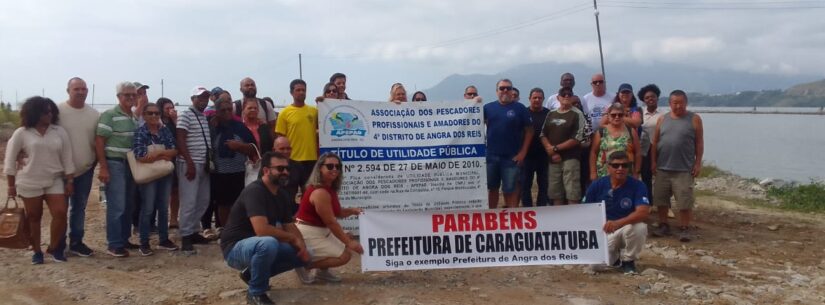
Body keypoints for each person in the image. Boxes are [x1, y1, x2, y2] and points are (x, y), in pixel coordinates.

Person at [220, 152, 310, 305]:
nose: (286, 172)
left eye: (287, 169)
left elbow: (289, 225)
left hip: (256, 245)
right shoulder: (255, 191)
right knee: (268, 243)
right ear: (266, 170)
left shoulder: (281, 194)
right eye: (280, 169)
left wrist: (301, 244)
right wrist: (292, 239)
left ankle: (251, 275)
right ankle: (256, 293)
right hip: (235, 248)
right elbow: (262, 230)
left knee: (305, 253)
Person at [5, 96, 75, 264]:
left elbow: (67, 157)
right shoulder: (21, 133)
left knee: (60, 213)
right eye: (45, 112)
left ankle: (53, 247)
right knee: (34, 217)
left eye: (51, 111)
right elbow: (10, 158)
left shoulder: (59, 131)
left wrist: (70, 181)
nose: (49, 114)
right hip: (29, 181)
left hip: (55, 179)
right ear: (35, 113)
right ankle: (36, 251)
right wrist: (10, 185)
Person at [294, 153, 364, 283]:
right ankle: (305, 265)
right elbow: (331, 222)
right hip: (308, 231)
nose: (334, 169)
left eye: (338, 167)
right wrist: (349, 243)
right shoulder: (320, 192)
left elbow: (337, 213)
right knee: (345, 256)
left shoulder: (328, 187)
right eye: (330, 166)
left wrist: (353, 211)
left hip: (320, 230)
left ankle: (322, 272)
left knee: (345, 240)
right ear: (320, 168)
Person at [583, 151, 650, 274]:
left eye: (624, 165)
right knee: (595, 266)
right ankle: (615, 258)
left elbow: (643, 212)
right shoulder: (597, 185)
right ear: (608, 167)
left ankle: (629, 260)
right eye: (616, 165)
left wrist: (619, 223)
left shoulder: (638, 185)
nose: (620, 169)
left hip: (625, 228)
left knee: (640, 227)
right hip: (603, 232)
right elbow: (586, 211)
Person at [651, 90, 704, 242]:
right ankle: (663, 225)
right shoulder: (662, 119)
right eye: (675, 103)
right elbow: (655, 142)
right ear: (669, 104)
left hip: (684, 169)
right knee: (661, 199)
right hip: (663, 167)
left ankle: (684, 228)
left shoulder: (694, 119)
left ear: (686, 103)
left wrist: (698, 162)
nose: (678, 106)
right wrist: (653, 162)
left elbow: (699, 143)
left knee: (684, 201)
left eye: (681, 102)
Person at [96, 82, 139, 257]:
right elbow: (99, 141)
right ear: (118, 97)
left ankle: (123, 239)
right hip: (115, 163)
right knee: (117, 205)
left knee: (129, 205)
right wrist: (103, 167)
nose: (130, 97)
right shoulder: (109, 115)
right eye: (126, 95)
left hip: (131, 165)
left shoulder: (134, 117)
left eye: (133, 95)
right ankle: (114, 243)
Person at [57, 77, 99, 257]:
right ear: (68, 91)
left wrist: (95, 162)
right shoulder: (57, 112)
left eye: (84, 89)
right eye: (77, 89)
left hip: (85, 169)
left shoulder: (94, 114)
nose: (81, 92)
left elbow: (97, 141)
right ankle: (57, 243)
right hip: (59, 171)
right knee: (60, 209)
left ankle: (76, 241)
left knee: (79, 207)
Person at [132, 103, 179, 255]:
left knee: (163, 207)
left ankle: (163, 239)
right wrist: (163, 153)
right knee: (148, 208)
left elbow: (174, 150)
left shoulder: (164, 130)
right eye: (150, 113)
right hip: (149, 175)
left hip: (164, 173)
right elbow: (140, 155)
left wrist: (156, 154)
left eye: (156, 113)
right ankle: (144, 242)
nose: (154, 116)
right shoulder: (140, 132)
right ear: (144, 115)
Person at [484, 79, 533, 208]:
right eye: (502, 88)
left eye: (508, 88)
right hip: (491, 156)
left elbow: (530, 131)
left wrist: (523, 153)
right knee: (492, 188)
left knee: (510, 189)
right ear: (496, 91)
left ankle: (511, 218)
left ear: (512, 91)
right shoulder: (487, 108)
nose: (505, 90)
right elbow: (473, 125)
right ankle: (492, 216)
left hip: (512, 157)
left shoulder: (520, 108)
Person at [210, 97, 257, 230]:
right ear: (217, 111)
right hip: (219, 173)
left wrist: (239, 146)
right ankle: (226, 230)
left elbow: (254, 148)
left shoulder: (240, 127)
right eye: (223, 110)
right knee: (222, 204)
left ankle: (239, 229)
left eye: (229, 109)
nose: (226, 112)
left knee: (239, 203)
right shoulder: (213, 128)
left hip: (239, 172)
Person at [176, 86, 213, 253]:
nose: (203, 101)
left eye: (206, 98)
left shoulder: (203, 117)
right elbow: (180, 139)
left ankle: (193, 231)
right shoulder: (185, 115)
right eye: (200, 98)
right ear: (192, 99)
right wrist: (189, 162)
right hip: (189, 164)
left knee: (203, 200)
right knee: (189, 202)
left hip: (203, 164)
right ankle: (185, 236)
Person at [540, 87, 586, 205]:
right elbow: (543, 134)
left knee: (572, 191)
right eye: (563, 94)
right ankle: (558, 221)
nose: (566, 96)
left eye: (569, 94)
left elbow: (577, 138)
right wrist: (551, 151)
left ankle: (575, 221)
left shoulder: (577, 114)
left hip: (570, 158)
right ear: (558, 97)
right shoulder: (551, 113)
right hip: (553, 159)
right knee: (555, 192)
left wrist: (556, 148)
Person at [275, 79, 318, 188]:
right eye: (298, 90)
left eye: (303, 90)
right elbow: (280, 137)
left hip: (311, 158)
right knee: (289, 191)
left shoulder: (314, 111)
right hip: (292, 159)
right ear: (291, 92)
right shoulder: (284, 113)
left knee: (309, 191)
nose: (301, 92)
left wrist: (323, 101)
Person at [590, 102, 641, 181]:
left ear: (624, 116)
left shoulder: (631, 131)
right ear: (608, 116)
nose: (617, 117)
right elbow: (593, 153)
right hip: (604, 173)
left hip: (625, 173)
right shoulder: (601, 132)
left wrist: (636, 172)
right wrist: (593, 172)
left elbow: (638, 153)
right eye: (613, 115)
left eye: (620, 115)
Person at [521, 88, 550, 207]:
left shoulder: (549, 114)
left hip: (544, 156)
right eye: (534, 98)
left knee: (544, 185)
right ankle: (527, 209)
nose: (537, 100)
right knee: (525, 185)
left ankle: (541, 209)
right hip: (527, 155)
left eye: (539, 98)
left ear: (543, 99)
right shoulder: (523, 113)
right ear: (529, 99)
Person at [156, 97, 180, 229]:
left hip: (175, 159)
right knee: (162, 190)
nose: (170, 110)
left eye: (172, 108)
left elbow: (181, 135)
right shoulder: (157, 122)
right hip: (160, 158)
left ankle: (173, 218)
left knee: (175, 190)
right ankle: (161, 218)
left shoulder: (175, 121)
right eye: (167, 108)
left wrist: (176, 119)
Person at [638, 84, 664, 199]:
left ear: (657, 97)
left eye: (652, 96)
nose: (650, 99)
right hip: (644, 149)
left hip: (660, 149)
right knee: (646, 176)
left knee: (661, 177)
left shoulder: (664, 114)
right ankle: (648, 202)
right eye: (647, 98)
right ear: (643, 100)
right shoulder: (640, 113)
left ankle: (664, 204)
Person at [272, 136, 305, 212]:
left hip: (292, 209)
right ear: (274, 150)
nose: (286, 151)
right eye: (282, 149)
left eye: (288, 148)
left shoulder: (298, 166)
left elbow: (305, 190)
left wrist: (302, 210)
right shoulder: (267, 167)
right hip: (272, 209)